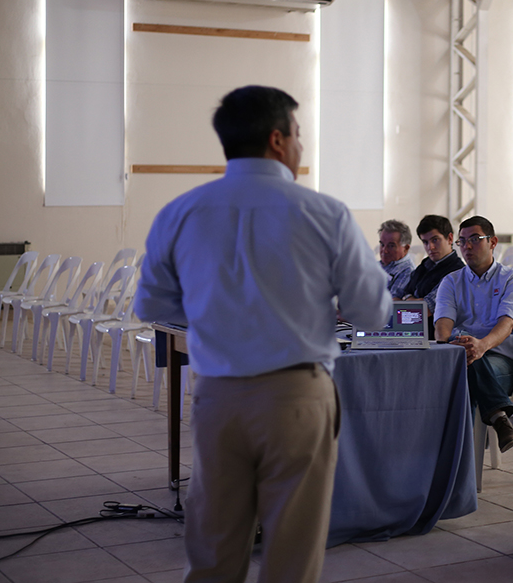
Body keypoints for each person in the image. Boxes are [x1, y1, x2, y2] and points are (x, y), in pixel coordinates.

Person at [134, 86, 393, 583]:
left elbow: (151, 305)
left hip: (218, 396)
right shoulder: (325, 213)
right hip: (296, 397)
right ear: (278, 139)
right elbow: (372, 311)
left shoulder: (181, 211)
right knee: (292, 554)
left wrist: (217, 312)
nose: (301, 146)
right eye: (299, 134)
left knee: (213, 551)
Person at [435, 216, 513, 452]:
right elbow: (443, 325)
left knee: (465, 368)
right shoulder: (451, 281)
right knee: (461, 361)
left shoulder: (512, 279)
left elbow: (507, 324)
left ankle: (458, 457)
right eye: (462, 241)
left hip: (501, 360)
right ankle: (498, 416)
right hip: (462, 355)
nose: (467, 246)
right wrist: (448, 347)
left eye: (475, 239)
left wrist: (481, 346)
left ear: (493, 242)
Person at [402, 214, 465, 317]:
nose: (430, 247)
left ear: (450, 238)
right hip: (413, 323)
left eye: (435, 240)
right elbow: (404, 293)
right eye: (425, 242)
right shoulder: (426, 264)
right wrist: (410, 299)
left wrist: (407, 300)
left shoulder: (457, 272)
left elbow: (425, 309)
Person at [378, 219, 415, 299]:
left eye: (391, 246)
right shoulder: (376, 265)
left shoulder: (407, 272)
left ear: (406, 248)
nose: (384, 250)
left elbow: (390, 302)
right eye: (382, 244)